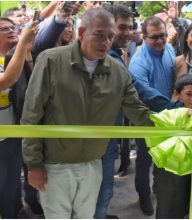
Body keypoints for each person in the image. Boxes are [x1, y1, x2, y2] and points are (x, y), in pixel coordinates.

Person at [21, 8, 152, 219]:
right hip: (55, 165)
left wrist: (179, 124)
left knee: (86, 216)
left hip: (93, 163)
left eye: (110, 36)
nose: (105, 41)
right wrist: (33, 164)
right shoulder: (50, 61)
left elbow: (137, 111)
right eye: (99, 34)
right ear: (81, 32)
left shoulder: (117, 71)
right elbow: (31, 115)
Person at [128, 16, 176, 216]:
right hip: (147, 119)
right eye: (154, 37)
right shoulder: (138, 62)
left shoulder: (170, 50)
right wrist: (173, 106)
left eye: (163, 36)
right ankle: (143, 194)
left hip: (170, 117)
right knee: (144, 159)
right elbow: (146, 93)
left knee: (164, 157)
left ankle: (157, 186)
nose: (160, 41)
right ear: (144, 37)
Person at [94, 4, 134, 219]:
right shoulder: (107, 60)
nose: (127, 33)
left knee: (103, 189)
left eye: (130, 27)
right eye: (121, 27)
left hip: (108, 136)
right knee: (101, 191)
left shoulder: (116, 56)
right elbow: (138, 92)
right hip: (99, 140)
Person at [0, 17, 37, 218]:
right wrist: (23, 43)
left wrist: (25, 49)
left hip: (13, 136)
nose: (11, 30)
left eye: (13, 27)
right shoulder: (12, 61)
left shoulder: (11, 57)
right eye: (3, 28)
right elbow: (6, 80)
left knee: (11, 188)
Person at [154, 74, 192, 218]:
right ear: (177, 94)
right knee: (166, 208)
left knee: (183, 207)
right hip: (168, 174)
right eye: (188, 94)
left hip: (189, 174)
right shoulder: (168, 115)